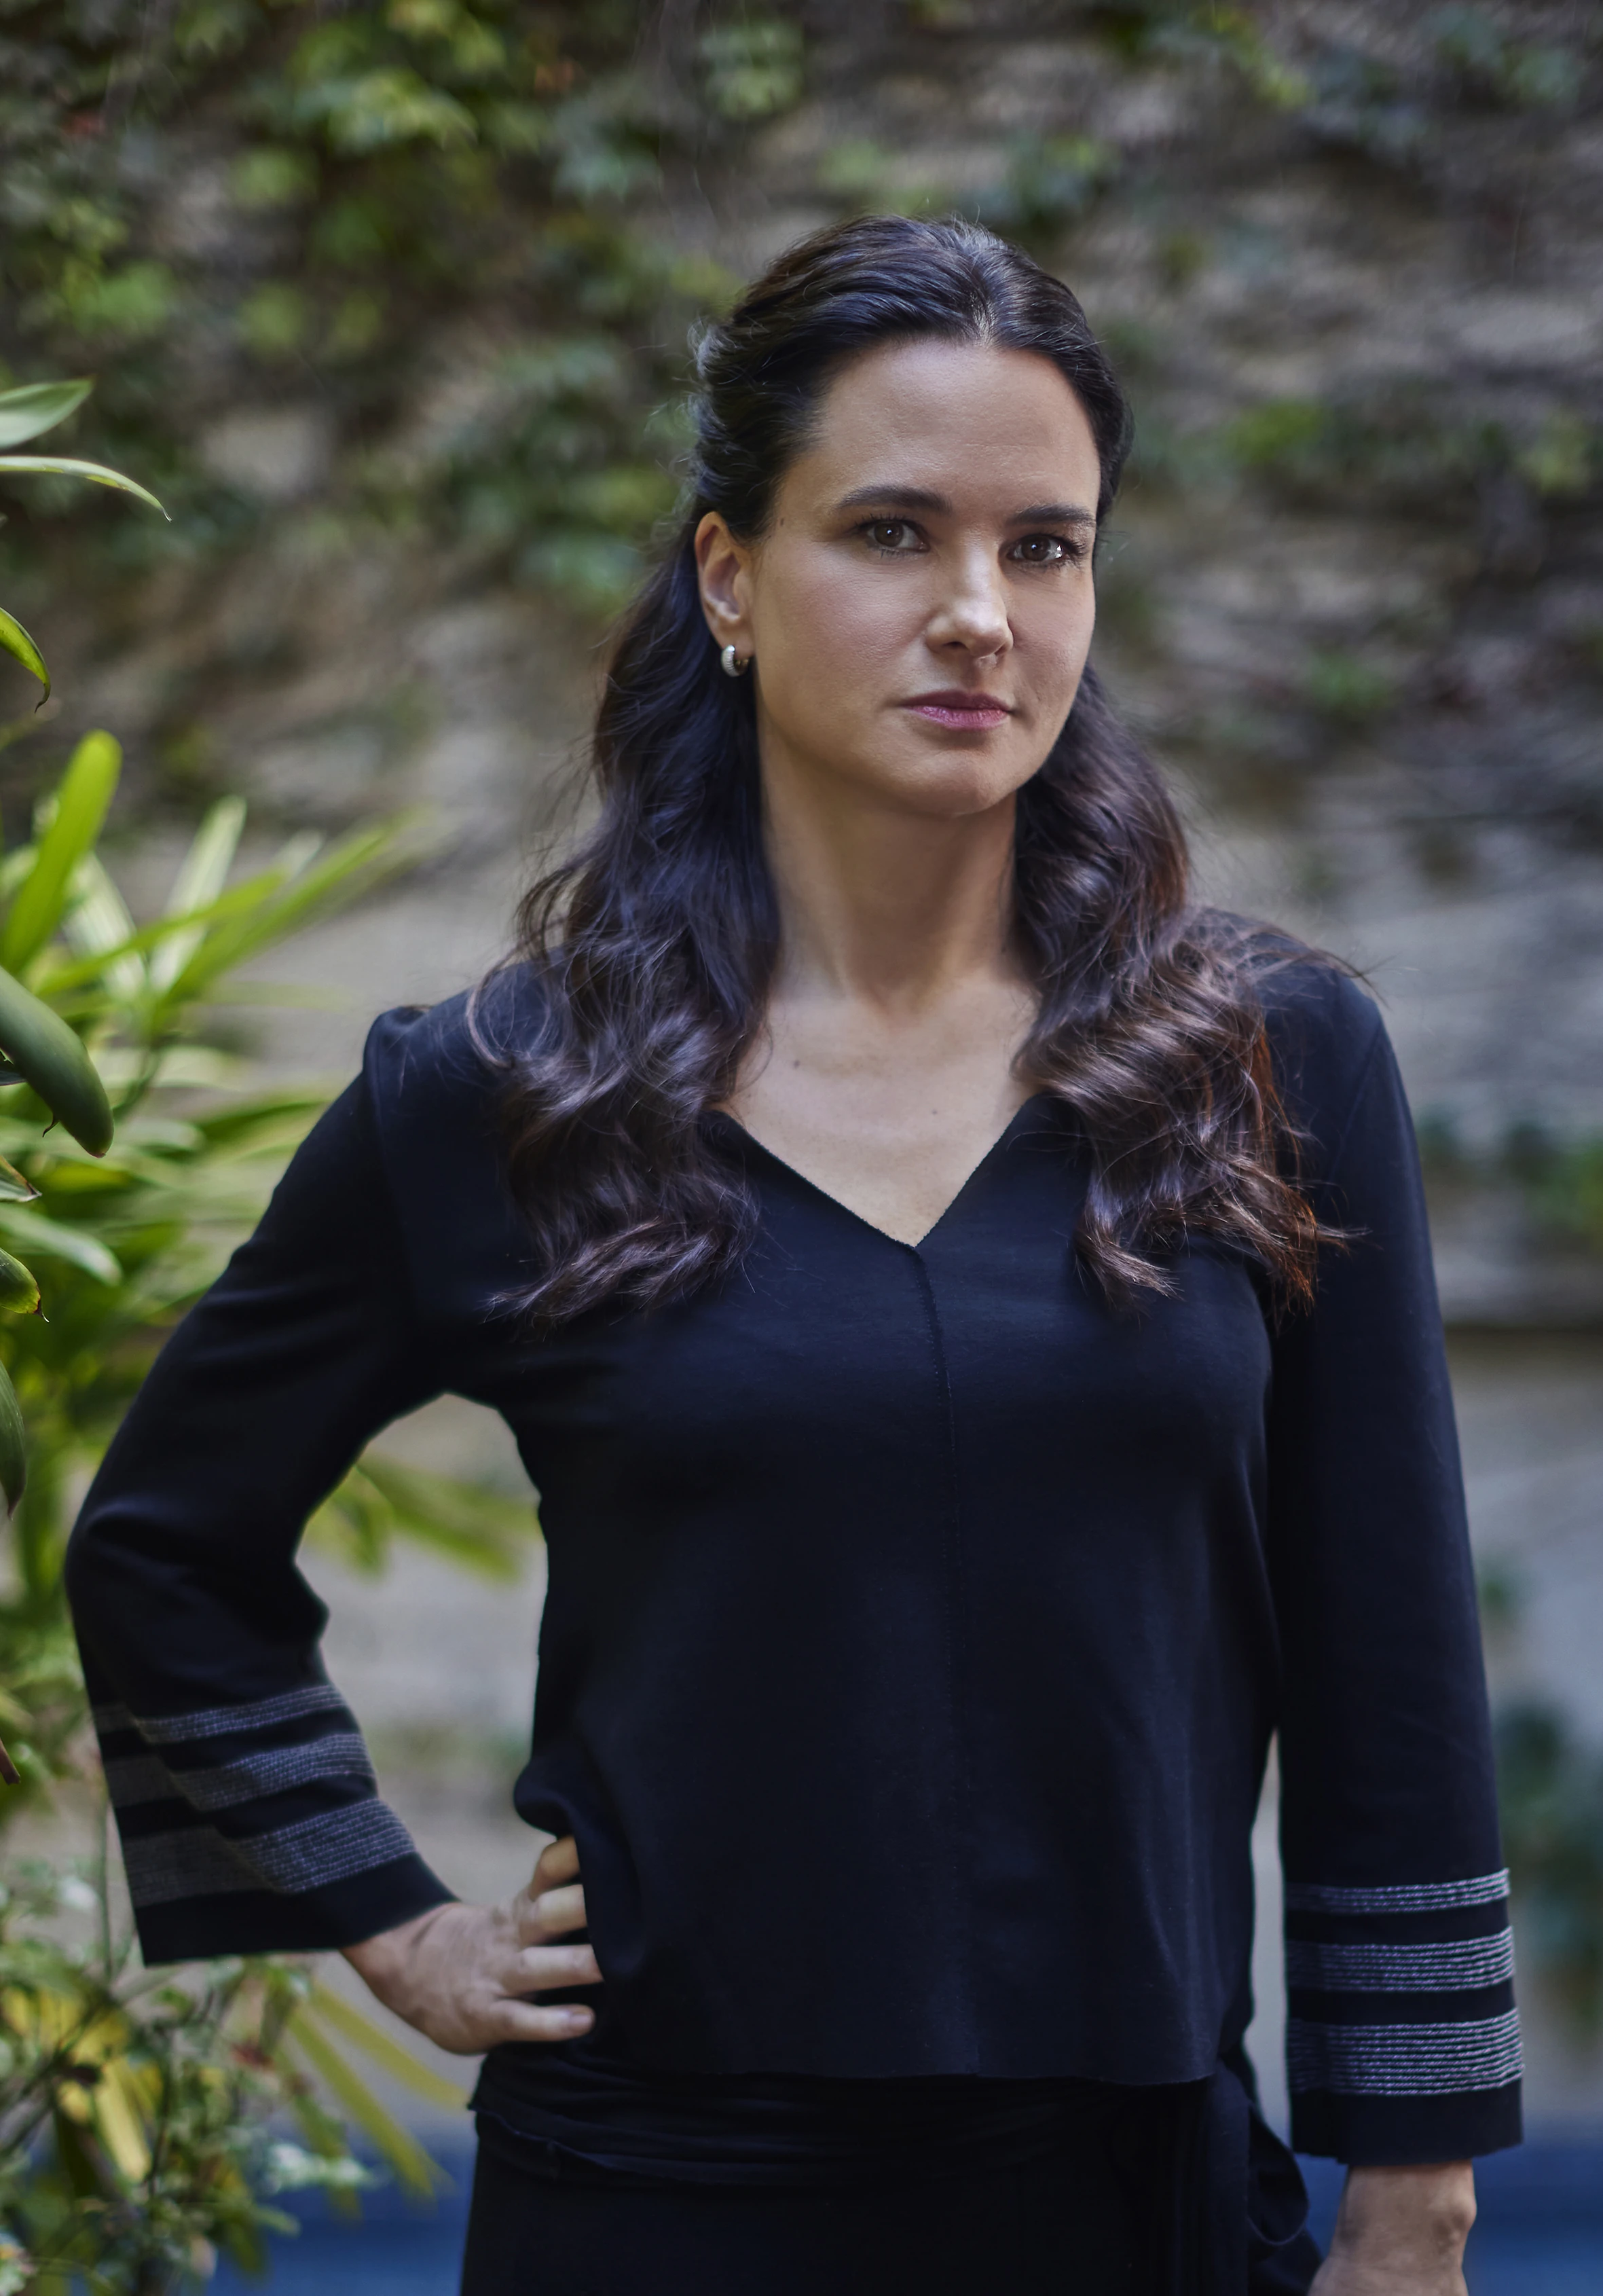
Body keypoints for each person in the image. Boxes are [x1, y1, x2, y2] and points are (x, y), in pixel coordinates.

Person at [67, 216, 1519, 2295]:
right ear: (729, 577)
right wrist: (396, 1923)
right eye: (893, 532)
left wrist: (1418, 2197)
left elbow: (1394, 1672)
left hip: (1136, 2205)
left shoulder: (1265, 1063)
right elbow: (164, 1550)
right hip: (654, 2200)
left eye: (1045, 547)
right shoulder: (506, 1092)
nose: (978, 615)